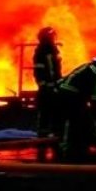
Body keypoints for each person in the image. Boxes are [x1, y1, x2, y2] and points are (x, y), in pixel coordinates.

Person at [55, 57, 96, 161]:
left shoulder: (87, 66)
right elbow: (94, 88)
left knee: (79, 119)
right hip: (71, 95)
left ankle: (78, 146)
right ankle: (66, 148)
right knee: (73, 119)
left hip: (66, 92)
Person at [32, 26, 62, 159]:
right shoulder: (41, 52)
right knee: (44, 116)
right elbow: (39, 73)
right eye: (51, 36)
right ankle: (42, 143)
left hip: (54, 87)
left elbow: (56, 71)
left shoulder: (52, 50)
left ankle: (55, 139)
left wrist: (58, 84)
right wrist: (45, 86)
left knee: (56, 116)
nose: (53, 38)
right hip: (46, 91)